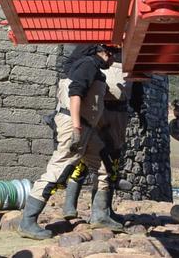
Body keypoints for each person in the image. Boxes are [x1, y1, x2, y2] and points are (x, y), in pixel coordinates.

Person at [19, 43, 117, 240]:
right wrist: (75, 126)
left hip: (87, 129)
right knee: (59, 169)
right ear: (104, 52)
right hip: (75, 126)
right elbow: (75, 92)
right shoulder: (88, 64)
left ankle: (100, 215)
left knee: (104, 166)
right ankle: (27, 221)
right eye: (114, 55)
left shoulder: (93, 68)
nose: (114, 60)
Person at [61, 56, 145, 229]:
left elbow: (137, 85)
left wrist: (139, 109)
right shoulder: (93, 54)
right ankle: (69, 205)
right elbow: (72, 69)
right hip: (98, 109)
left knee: (112, 159)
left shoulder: (132, 54)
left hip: (119, 111)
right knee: (85, 156)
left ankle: (103, 210)